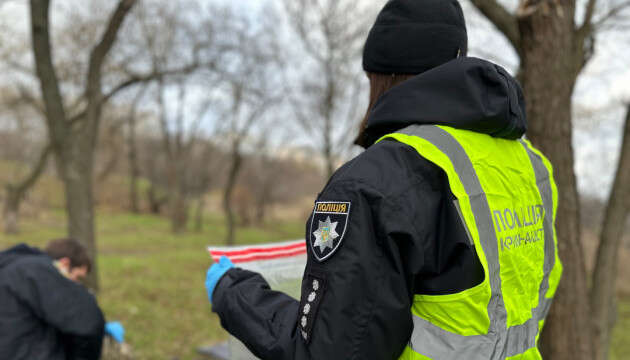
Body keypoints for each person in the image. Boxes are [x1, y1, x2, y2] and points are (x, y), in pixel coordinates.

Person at [205, 0, 563, 359]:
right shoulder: (531, 166)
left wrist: (232, 292)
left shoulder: (376, 183)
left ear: (381, 77)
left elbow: (327, 352)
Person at [0, 238, 124, 360]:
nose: (77, 285)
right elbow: (88, 323)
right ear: (64, 264)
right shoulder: (36, 272)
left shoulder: (10, 270)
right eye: (77, 278)